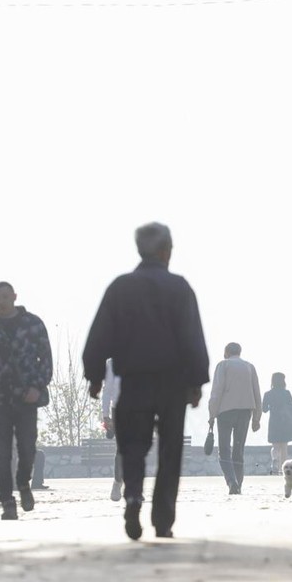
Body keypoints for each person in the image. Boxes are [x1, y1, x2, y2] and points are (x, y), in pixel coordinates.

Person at [84, 222, 209, 540]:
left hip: (134, 382)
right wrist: (196, 382)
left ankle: (133, 497)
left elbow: (100, 334)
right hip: (172, 384)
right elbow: (192, 337)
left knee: (133, 447)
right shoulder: (180, 288)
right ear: (167, 250)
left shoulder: (120, 287)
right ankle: (163, 518)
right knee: (170, 450)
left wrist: (95, 375)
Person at [0, 281, 53, 521]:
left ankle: (24, 483)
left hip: (27, 398)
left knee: (27, 448)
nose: (1, 301)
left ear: (14, 296)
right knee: (2, 453)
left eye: (5, 296)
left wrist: (38, 386)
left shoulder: (33, 324)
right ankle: (7, 501)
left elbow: (45, 359)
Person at [208, 343, 262, 495]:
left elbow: (217, 391)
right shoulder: (249, 367)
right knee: (238, 450)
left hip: (225, 412)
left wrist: (212, 414)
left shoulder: (223, 365)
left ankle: (232, 482)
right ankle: (238, 483)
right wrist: (257, 418)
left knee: (224, 449)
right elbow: (256, 392)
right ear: (240, 352)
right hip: (245, 412)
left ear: (226, 352)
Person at [262, 372, 292, 473]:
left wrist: (272, 406)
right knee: (284, 447)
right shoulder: (286, 393)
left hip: (274, 422)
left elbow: (264, 409)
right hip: (285, 423)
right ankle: (282, 469)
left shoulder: (268, 394)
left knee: (275, 446)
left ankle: (275, 459)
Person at [101, 358, 123, 501]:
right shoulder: (112, 363)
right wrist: (105, 415)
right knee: (121, 449)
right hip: (119, 409)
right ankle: (117, 482)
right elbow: (107, 390)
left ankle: (134, 486)